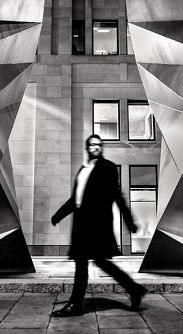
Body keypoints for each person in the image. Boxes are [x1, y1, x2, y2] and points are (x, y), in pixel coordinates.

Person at [50, 134, 147, 317]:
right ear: (87, 147)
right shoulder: (83, 169)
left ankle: (76, 304)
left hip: (96, 225)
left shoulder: (107, 168)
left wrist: (128, 221)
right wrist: (59, 215)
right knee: (90, 262)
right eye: (92, 144)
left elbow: (117, 195)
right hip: (81, 225)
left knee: (92, 262)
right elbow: (76, 199)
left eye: (98, 144)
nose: (96, 147)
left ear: (101, 147)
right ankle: (134, 289)